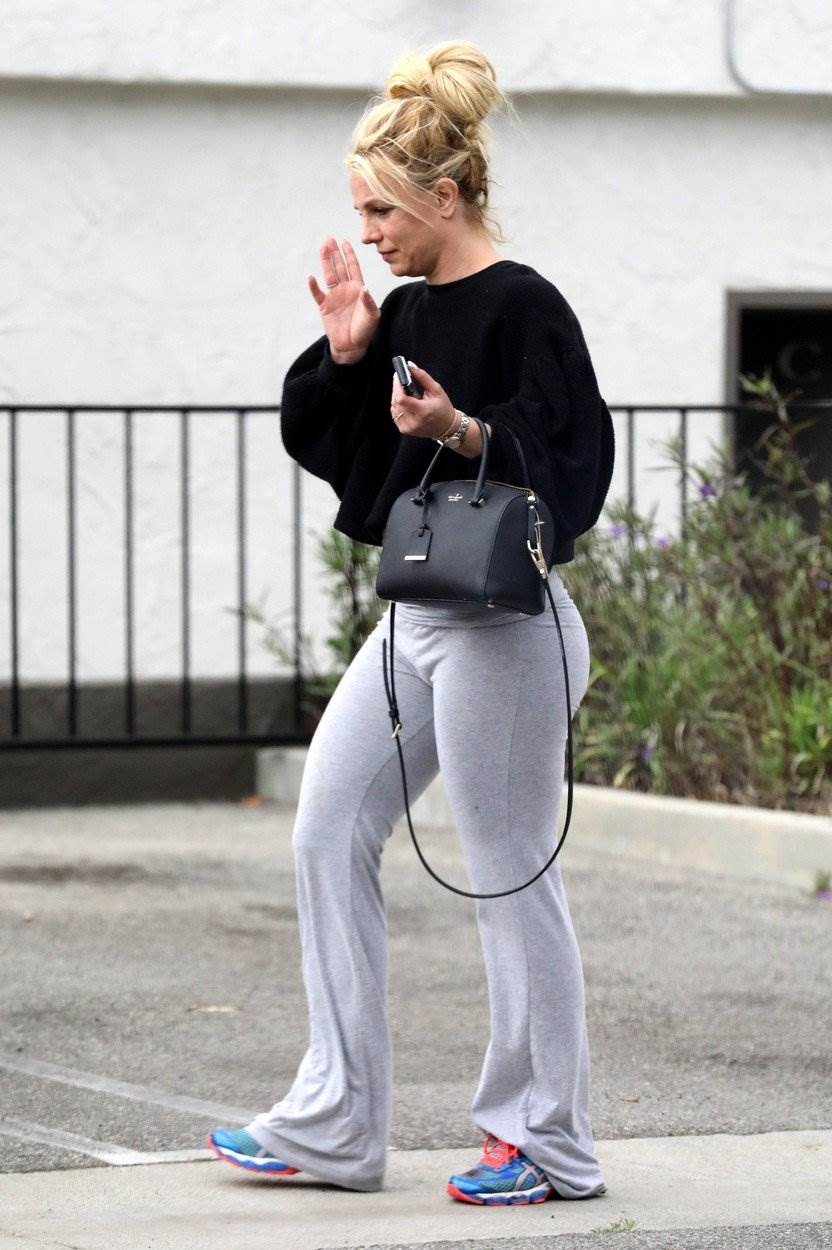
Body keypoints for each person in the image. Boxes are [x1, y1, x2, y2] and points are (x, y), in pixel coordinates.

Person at [208, 40, 614, 1207]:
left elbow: (573, 465)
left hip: (510, 628)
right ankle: (336, 1119)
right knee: (325, 827)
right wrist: (349, 353)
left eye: (382, 209)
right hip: (420, 620)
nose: (370, 232)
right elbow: (362, 466)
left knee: (507, 872)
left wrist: (464, 432)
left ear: (445, 194)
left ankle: (544, 1139)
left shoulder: (526, 305)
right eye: (360, 211)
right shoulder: (408, 311)